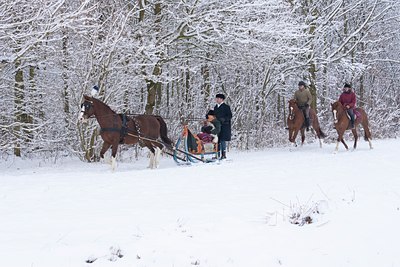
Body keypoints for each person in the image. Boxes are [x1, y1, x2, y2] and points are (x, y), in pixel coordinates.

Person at [214, 93, 232, 159]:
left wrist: (224, 119)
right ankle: (217, 154)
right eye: (216, 98)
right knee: (217, 140)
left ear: (222, 99)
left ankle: (223, 154)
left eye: (218, 98)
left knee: (222, 140)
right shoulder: (215, 107)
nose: (217, 100)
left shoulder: (226, 107)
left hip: (224, 126)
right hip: (217, 126)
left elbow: (230, 116)